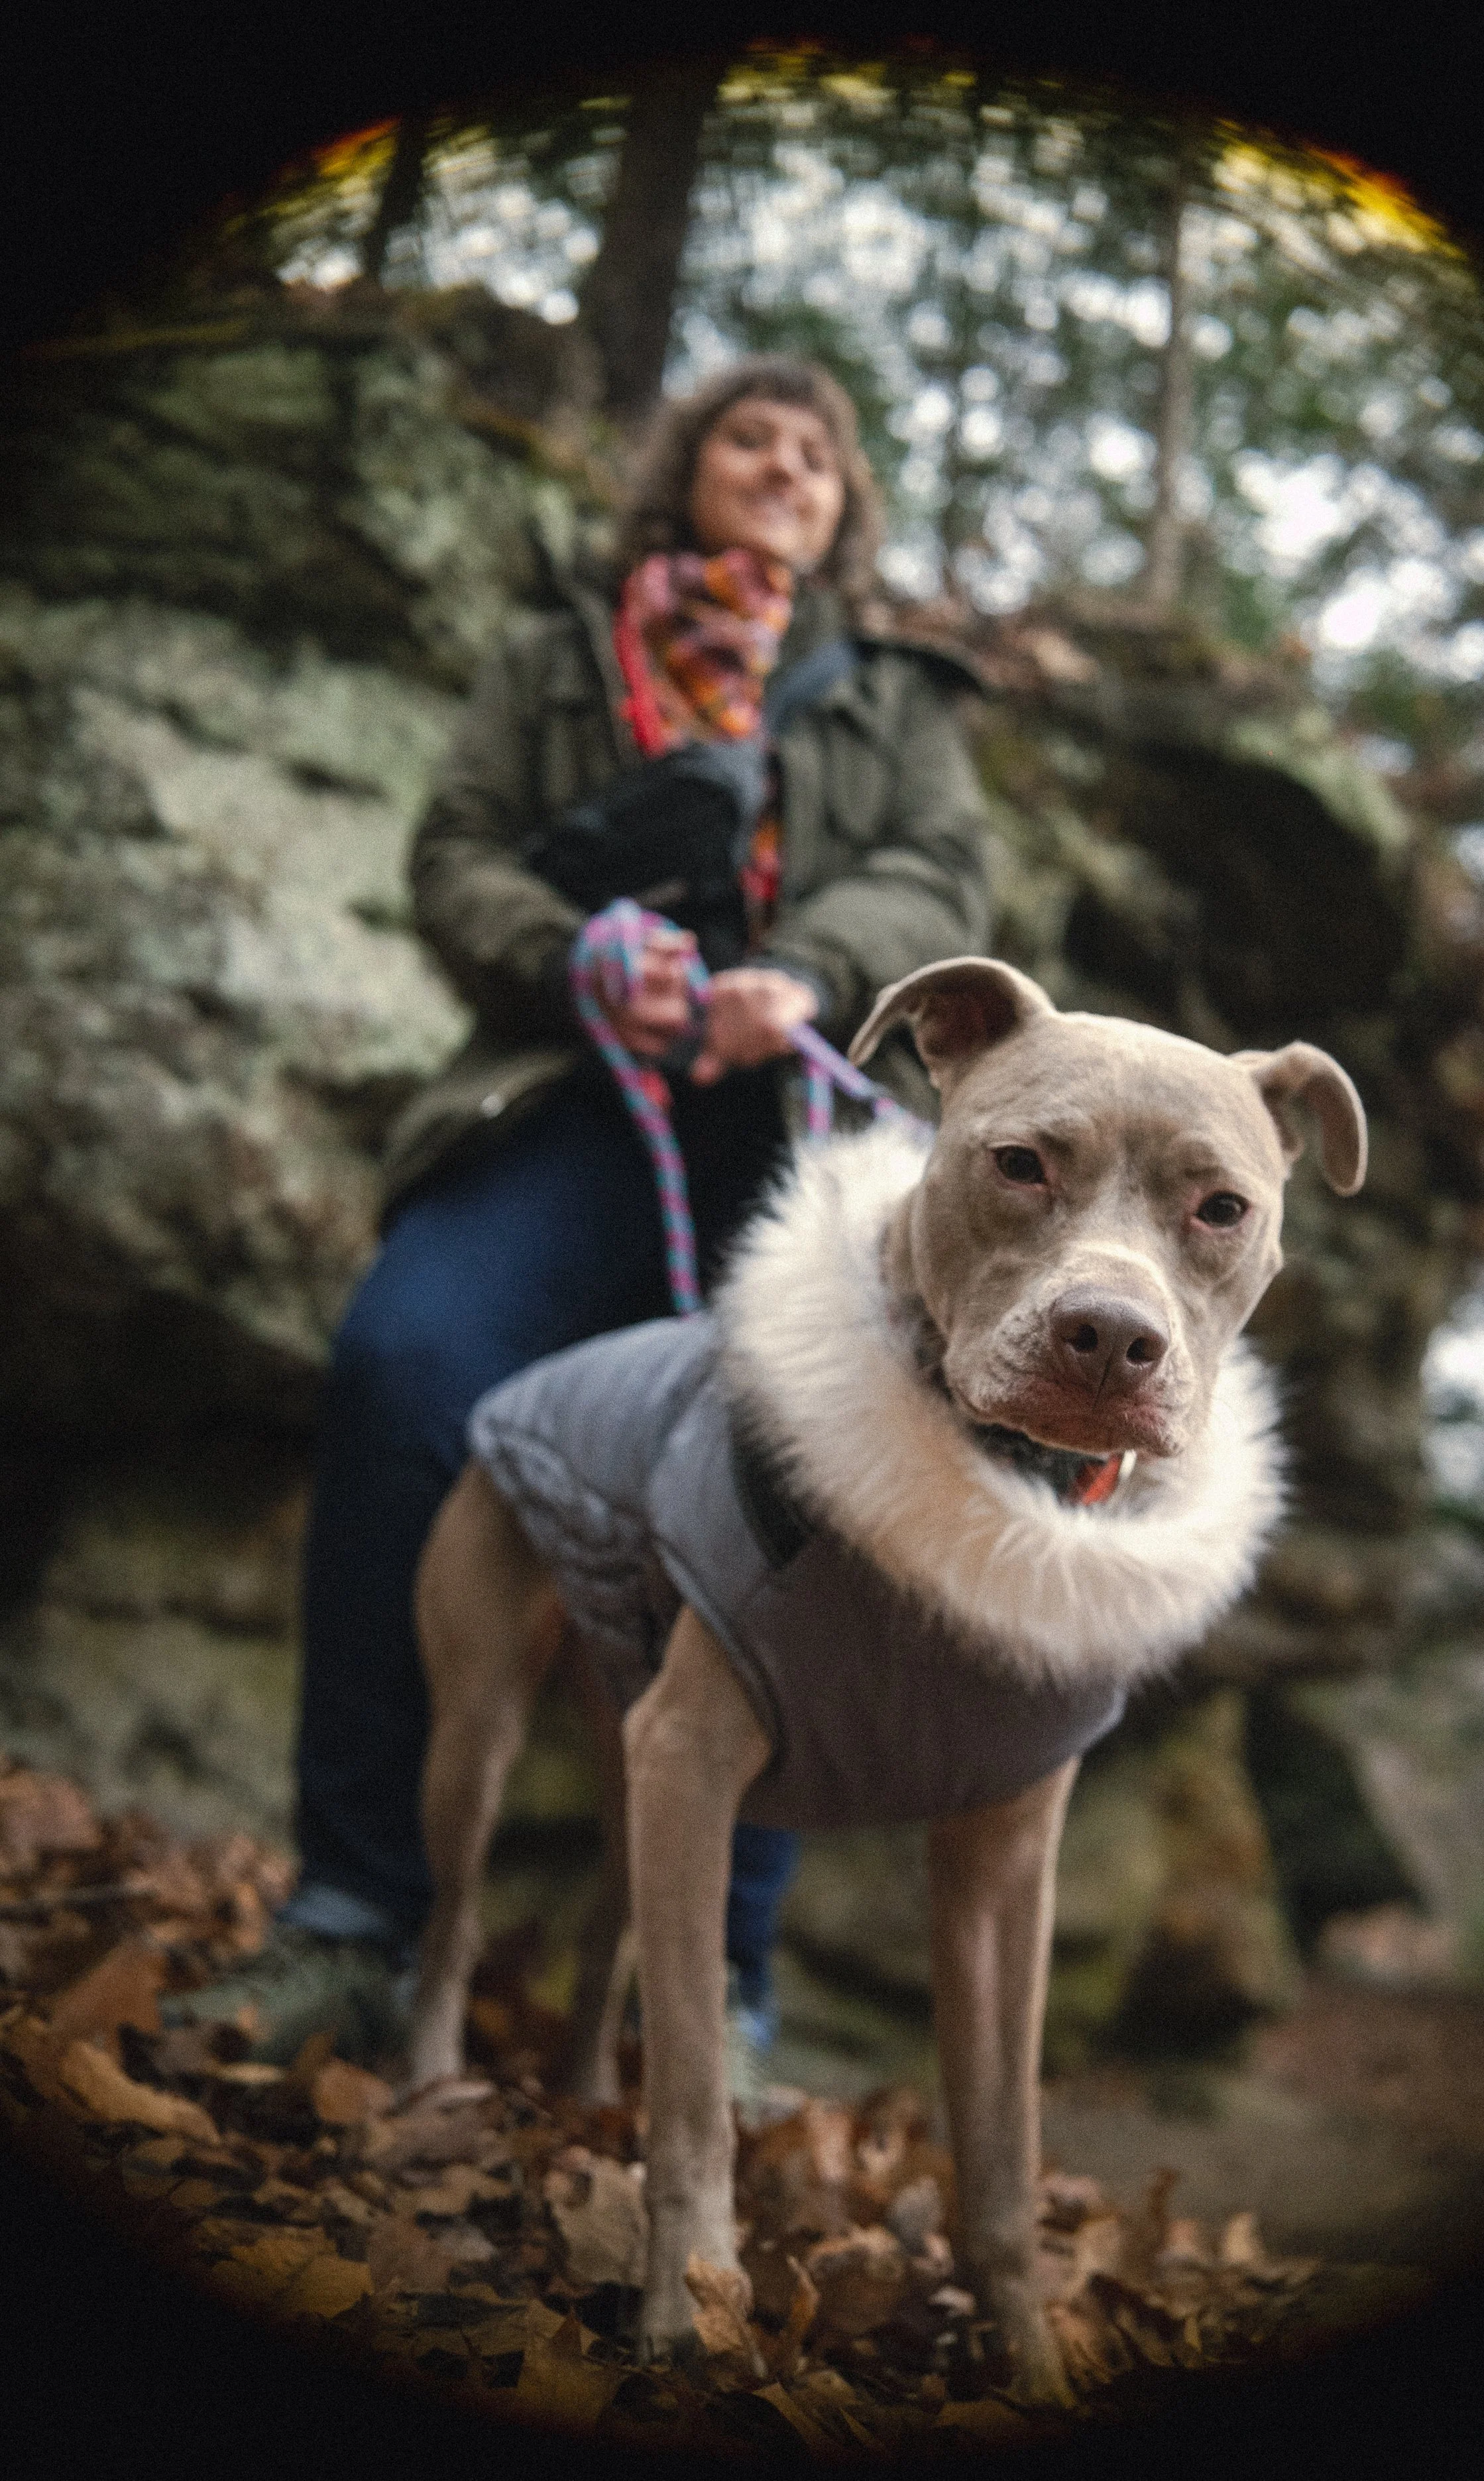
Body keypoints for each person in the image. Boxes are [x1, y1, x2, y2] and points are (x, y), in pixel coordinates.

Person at [166, 356, 991, 2072]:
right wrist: (575, 948)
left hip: (779, 1131)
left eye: (815, 455)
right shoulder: (562, 651)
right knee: (409, 1368)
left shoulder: (893, 699)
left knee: (792, 1480)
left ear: (844, 506)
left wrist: (807, 971)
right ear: (684, 466)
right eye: (746, 438)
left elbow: (940, 878)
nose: (781, 468)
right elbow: (454, 849)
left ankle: (726, 2003)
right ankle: (355, 1920)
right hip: (560, 1100)